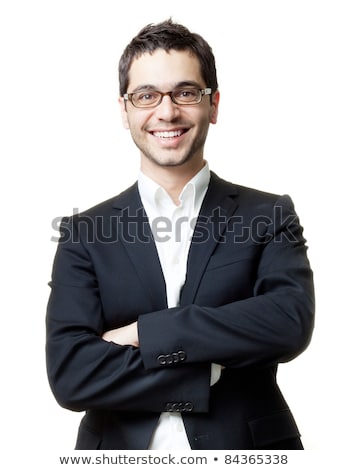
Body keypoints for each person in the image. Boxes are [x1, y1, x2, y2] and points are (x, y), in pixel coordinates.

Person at [46, 19, 315, 450]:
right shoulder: (85, 233)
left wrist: (146, 333)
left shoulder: (267, 214)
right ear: (125, 109)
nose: (167, 111)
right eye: (147, 95)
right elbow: (71, 374)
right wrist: (207, 369)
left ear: (213, 105)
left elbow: (288, 323)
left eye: (186, 93)